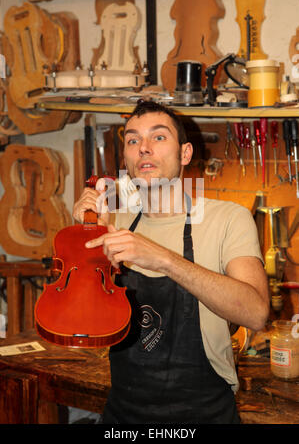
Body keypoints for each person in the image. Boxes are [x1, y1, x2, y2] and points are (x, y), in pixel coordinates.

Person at [73, 100, 269, 424]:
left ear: (186, 153)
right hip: (124, 414)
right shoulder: (115, 222)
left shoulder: (228, 218)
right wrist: (86, 235)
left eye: (159, 138)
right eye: (133, 140)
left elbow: (257, 313)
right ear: (125, 158)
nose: (144, 149)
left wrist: (164, 259)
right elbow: (83, 323)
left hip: (204, 414)